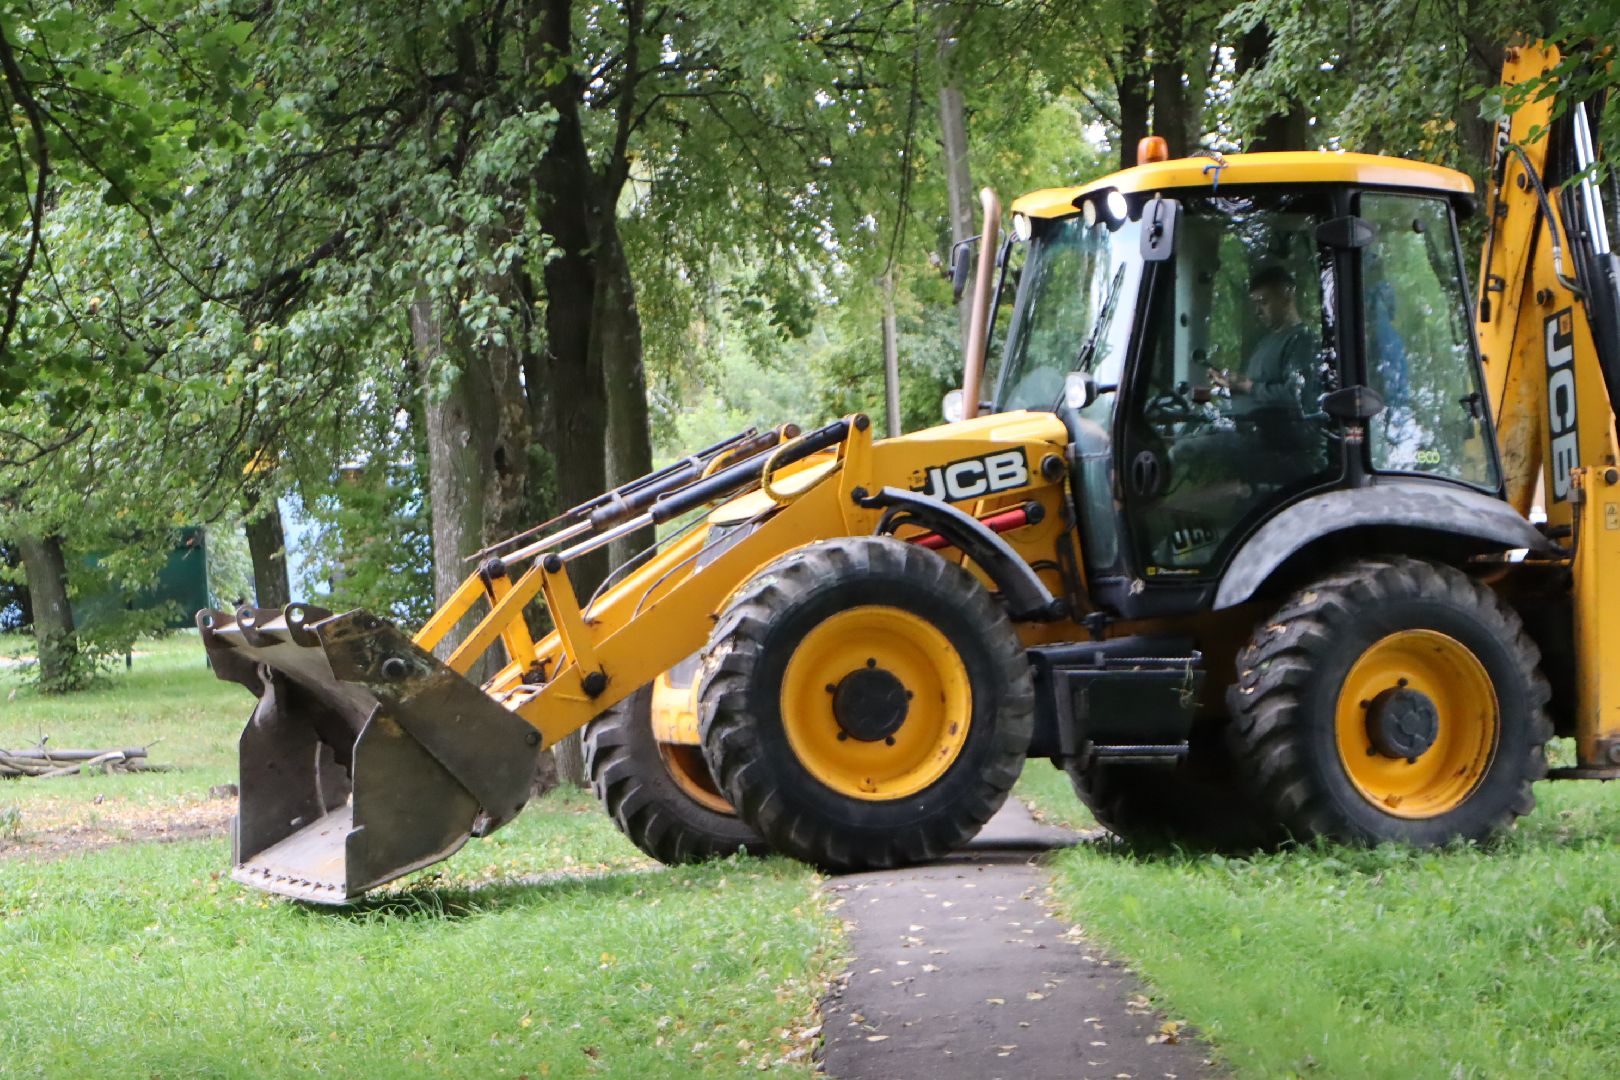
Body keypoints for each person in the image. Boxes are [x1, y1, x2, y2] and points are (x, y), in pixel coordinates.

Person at [1208, 264, 1315, 410]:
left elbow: (1297, 395)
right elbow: (1254, 392)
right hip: (1247, 430)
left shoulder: (1301, 339)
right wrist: (1231, 384)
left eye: (1264, 302)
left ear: (1286, 295)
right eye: (1255, 304)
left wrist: (1247, 386)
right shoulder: (1264, 343)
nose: (1257, 311)